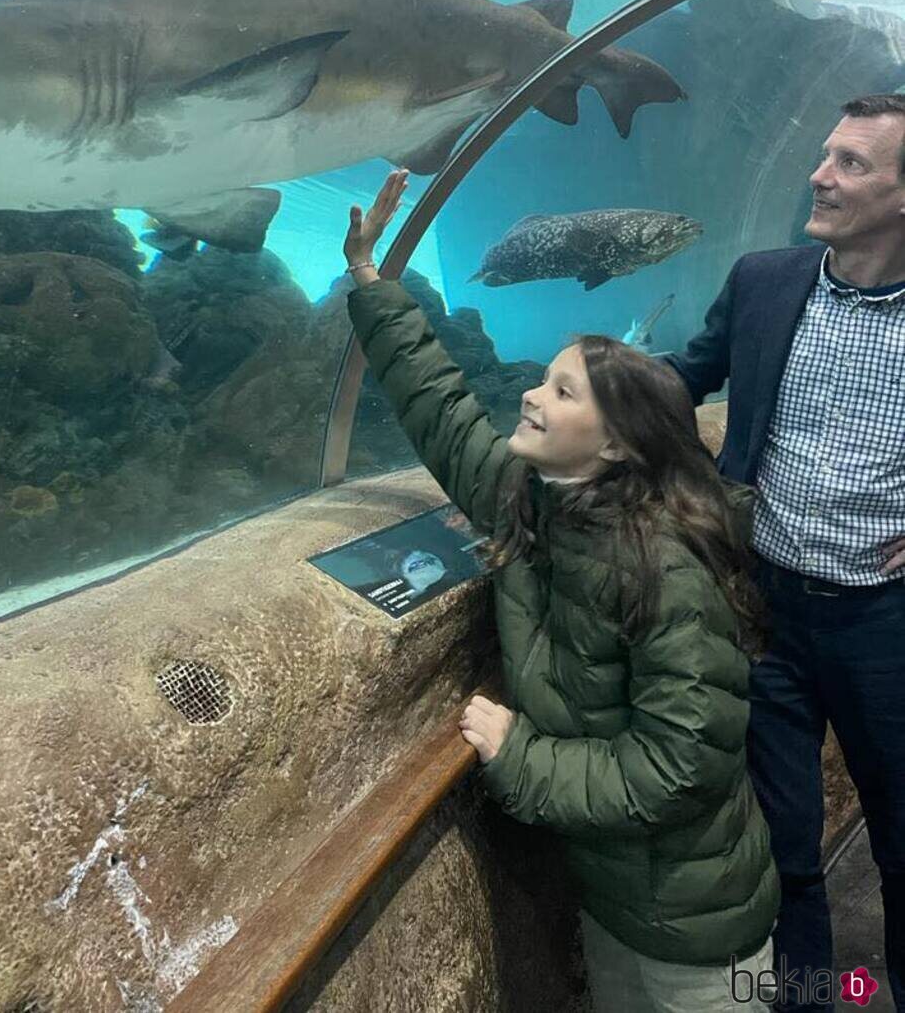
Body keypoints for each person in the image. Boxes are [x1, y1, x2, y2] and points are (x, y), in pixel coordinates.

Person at [343, 169, 780, 1012]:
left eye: (560, 390)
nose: (529, 392)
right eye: (543, 379)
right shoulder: (532, 498)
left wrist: (518, 756)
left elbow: (680, 766)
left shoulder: (667, 568)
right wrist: (373, 283)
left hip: (703, 929)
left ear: (616, 445)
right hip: (616, 901)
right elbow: (444, 413)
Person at [667, 94, 905, 1013]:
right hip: (769, 611)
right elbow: (682, 377)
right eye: (823, 155)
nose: (820, 173)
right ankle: (805, 1001)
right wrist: (573, 400)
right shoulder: (766, 279)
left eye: (852, 163)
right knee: (783, 846)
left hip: (885, 626)